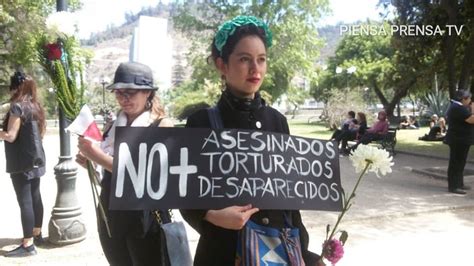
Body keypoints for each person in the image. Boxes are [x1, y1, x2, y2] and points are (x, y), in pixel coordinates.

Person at [181, 16, 321, 266]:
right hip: (221, 253)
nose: (255, 69)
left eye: (261, 59)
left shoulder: (278, 121)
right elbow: (183, 194)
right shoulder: (200, 123)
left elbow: (289, 200)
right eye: (244, 59)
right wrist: (212, 216)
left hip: (277, 252)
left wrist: (306, 254)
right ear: (221, 64)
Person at [75, 62, 174, 265]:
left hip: (145, 215)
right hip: (110, 211)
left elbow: (146, 174)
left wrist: (96, 155)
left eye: (130, 92)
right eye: (119, 93)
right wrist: (89, 163)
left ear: (147, 92)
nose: (123, 99)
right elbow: (107, 171)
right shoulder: (112, 126)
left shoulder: (161, 125)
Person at [2, 71, 46, 257]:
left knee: (25, 201)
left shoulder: (17, 108)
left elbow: (11, 136)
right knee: (35, 197)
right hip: (37, 159)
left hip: (22, 161)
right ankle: (37, 234)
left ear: (15, 87)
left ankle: (28, 245)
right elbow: (41, 134)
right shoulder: (36, 107)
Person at [444, 90, 474, 194]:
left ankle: (459, 184)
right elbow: (471, 119)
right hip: (458, 140)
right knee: (456, 163)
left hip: (462, 140)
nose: (470, 101)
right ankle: (453, 186)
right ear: (463, 98)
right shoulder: (458, 108)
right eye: (469, 99)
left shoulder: (459, 107)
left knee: (461, 163)